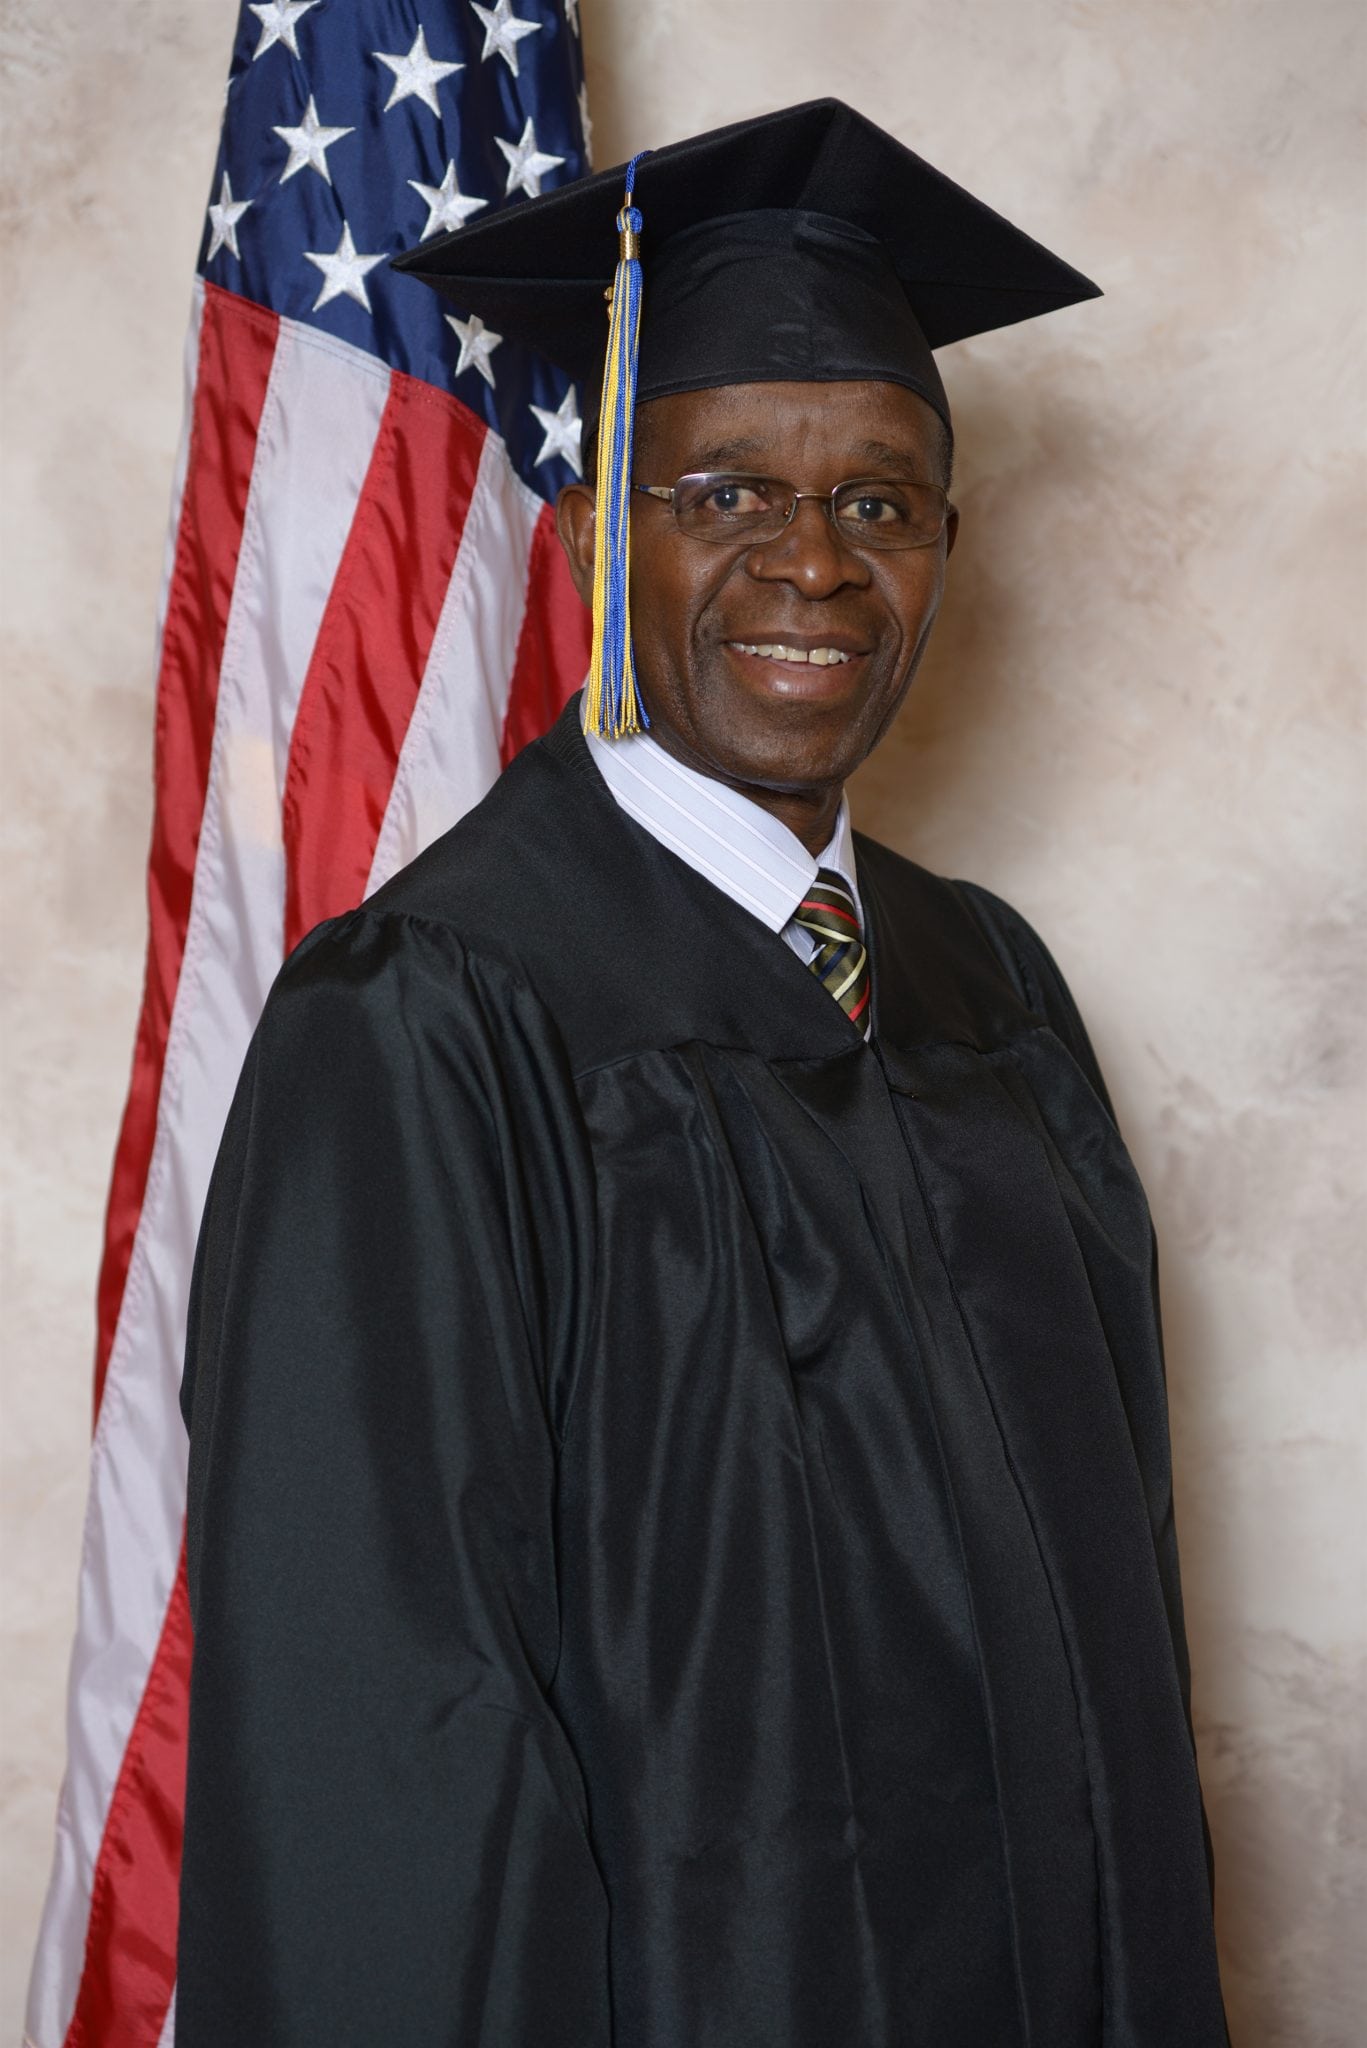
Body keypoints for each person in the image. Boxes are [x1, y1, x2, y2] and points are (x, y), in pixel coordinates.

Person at [176, 99, 1229, 2046]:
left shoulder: (990, 987)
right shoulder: (426, 1020)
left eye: (880, 504)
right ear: (597, 539)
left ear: (944, 551)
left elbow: (1124, 1657)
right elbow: (388, 1770)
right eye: (728, 492)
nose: (811, 563)